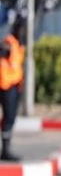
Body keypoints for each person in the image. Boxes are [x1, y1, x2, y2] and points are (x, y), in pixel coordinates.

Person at [0, 17, 26, 161]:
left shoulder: (19, 44)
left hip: (14, 86)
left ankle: (6, 148)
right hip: (6, 86)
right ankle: (5, 150)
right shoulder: (9, 42)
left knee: (10, 118)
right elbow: (3, 50)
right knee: (8, 118)